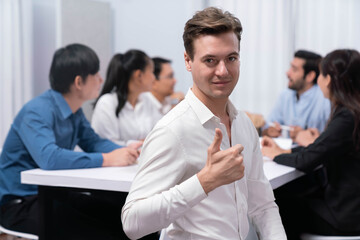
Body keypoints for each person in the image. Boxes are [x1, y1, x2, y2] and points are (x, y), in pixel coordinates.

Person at [121, 7, 286, 240]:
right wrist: (204, 181)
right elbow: (132, 222)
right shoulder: (173, 130)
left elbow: (263, 205)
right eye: (210, 60)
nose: (223, 70)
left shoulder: (244, 124)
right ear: (188, 61)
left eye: (231, 58)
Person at [0, 43, 141, 239]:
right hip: (21, 203)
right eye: (96, 75)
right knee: (106, 231)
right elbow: (49, 158)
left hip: (54, 194)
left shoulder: (75, 111)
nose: (101, 79)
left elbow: (93, 142)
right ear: (79, 82)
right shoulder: (37, 111)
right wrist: (108, 159)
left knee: (125, 218)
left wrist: (126, 151)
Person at [261, 49, 360, 239]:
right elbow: (321, 148)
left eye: (322, 75)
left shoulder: (347, 117)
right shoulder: (352, 112)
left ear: (329, 79)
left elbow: (307, 160)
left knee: (276, 206)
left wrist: (275, 154)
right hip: (350, 206)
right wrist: (285, 150)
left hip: (345, 216)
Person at [262, 50, 331, 142]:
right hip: (286, 152)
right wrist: (269, 131)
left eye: (294, 69)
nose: (287, 73)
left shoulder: (325, 99)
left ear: (310, 76)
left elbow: (333, 140)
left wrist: (305, 136)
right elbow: (267, 127)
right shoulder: (285, 95)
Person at [91, 50, 157, 146]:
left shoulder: (147, 100)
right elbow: (107, 145)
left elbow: (158, 132)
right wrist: (140, 144)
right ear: (139, 75)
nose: (154, 78)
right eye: (151, 72)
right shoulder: (107, 103)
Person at [142, 57, 183, 122]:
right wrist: (174, 104)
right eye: (170, 76)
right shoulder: (143, 105)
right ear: (154, 81)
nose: (175, 81)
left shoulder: (167, 100)